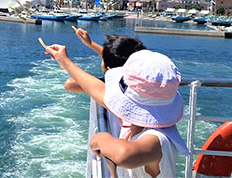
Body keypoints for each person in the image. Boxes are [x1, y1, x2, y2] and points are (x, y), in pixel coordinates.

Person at [44, 46, 189, 177]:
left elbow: (123, 154)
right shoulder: (141, 126)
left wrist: (100, 139)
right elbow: (98, 89)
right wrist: (65, 61)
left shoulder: (159, 139)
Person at [64, 30, 146, 93]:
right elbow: (119, 57)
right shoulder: (141, 83)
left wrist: (65, 61)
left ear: (108, 69)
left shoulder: (107, 87)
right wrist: (90, 43)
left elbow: (69, 84)